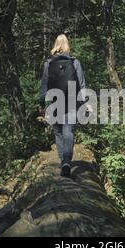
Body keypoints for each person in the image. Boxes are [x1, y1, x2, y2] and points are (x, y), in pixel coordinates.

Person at [39, 34, 92, 178]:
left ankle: (63, 160)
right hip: (72, 102)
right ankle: (67, 161)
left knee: (58, 132)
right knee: (69, 131)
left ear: (55, 45)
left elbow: (44, 85)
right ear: (68, 45)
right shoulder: (75, 63)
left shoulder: (48, 64)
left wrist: (43, 104)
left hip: (54, 102)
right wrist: (87, 103)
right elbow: (81, 85)